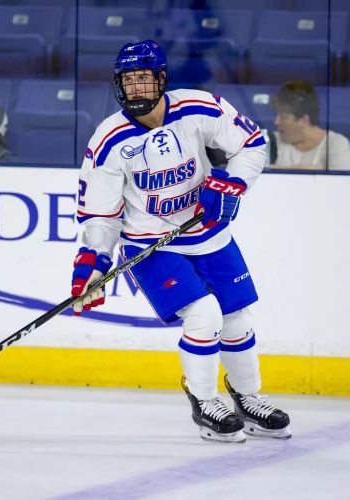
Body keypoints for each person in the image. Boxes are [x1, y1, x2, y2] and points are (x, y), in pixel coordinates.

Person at [70, 40, 291, 443]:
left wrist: (231, 184)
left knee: (236, 318)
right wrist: (94, 260)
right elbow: (101, 215)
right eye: (128, 80)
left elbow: (251, 144)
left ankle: (247, 397)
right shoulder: (108, 140)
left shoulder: (198, 106)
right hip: (151, 244)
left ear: (161, 79)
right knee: (204, 315)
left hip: (208, 233)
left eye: (143, 78)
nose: (135, 87)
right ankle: (204, 402)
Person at [270, 80, 350, 171]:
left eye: (283, 117)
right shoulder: (271, 140)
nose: (276, 122)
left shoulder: (337, 143)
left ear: (304, 120)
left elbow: (342, 179)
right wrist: (317, 169)